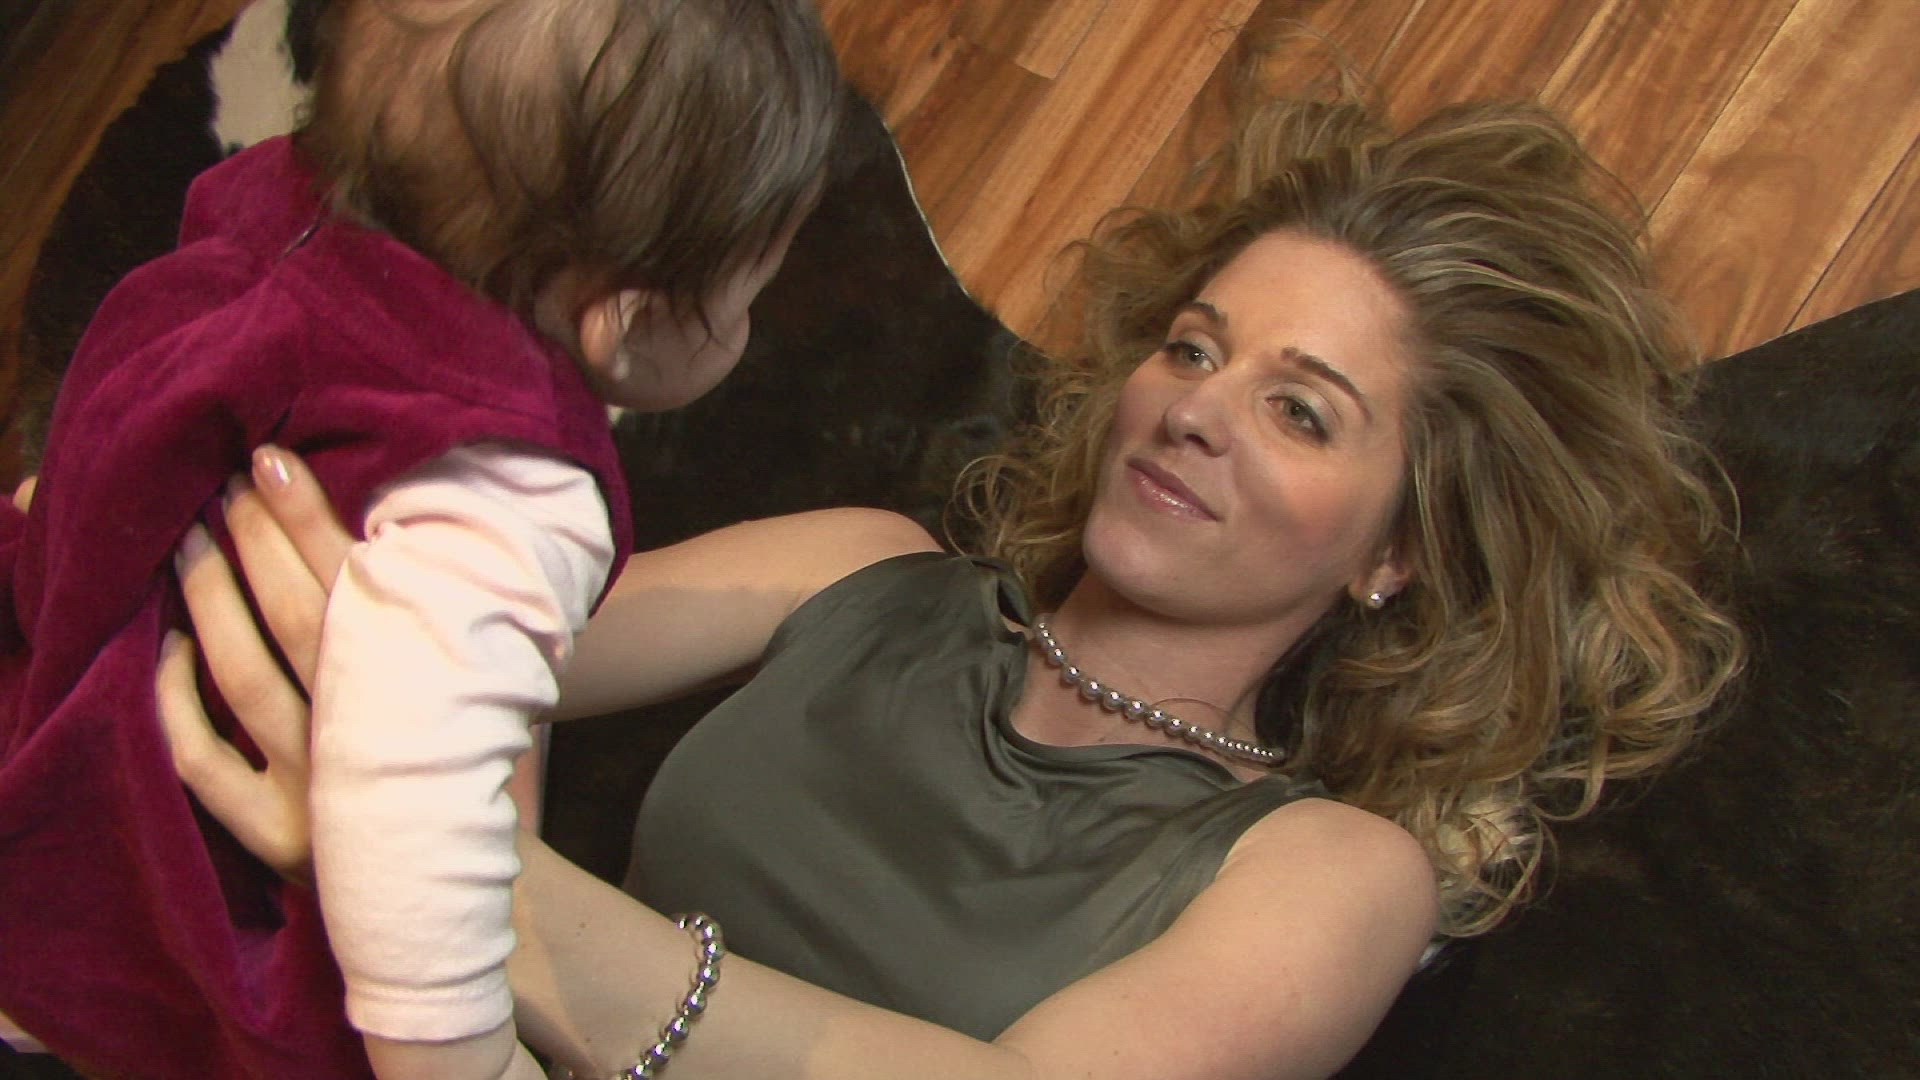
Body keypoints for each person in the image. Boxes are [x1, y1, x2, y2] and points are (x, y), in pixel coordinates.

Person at [158, 92, 1744, 1079]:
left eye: (1301, 410)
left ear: (1396, 552)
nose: (1196, 406)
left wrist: (451, 879)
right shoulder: (863, 568)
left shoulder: (1332, 871)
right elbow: (451, 634)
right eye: (1193, 346)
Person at [0, 1, 841, 1077]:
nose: (752, 326)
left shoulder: (268, 210)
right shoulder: (510, 491)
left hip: (66, 666)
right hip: (137, 911)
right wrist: (464, 1056)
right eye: (749, 297)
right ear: (626, 323)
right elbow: (406, 816)